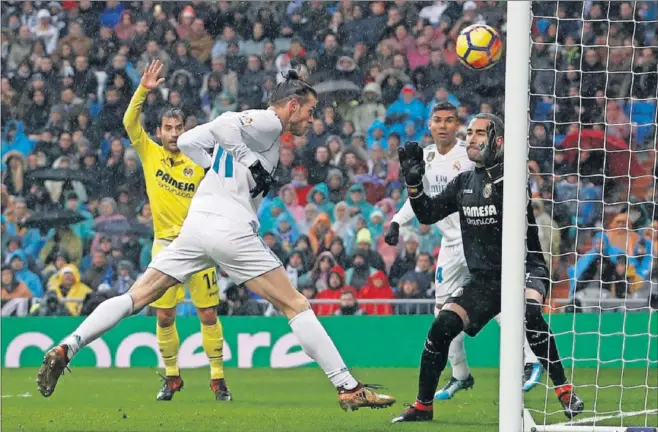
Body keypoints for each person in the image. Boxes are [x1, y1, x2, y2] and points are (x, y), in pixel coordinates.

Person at [36, 70, 395, 412]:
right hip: (230, 226)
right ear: (292, 105)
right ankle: (348, 387)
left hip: (195, 225)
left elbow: (189, 140)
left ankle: (69, 345)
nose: (311, 120)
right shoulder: (270, 121)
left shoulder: (261, 131)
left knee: (135, 297)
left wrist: (214, 167)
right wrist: (247, 163)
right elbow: (225, 121)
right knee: (295, 305)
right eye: (310, 111)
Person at [391, 113, 584, 423]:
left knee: (529, 314)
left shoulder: (513, 177)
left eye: (480, 132)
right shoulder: (464, 182)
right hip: (485, 278)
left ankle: (563, 389)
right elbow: (427, 214)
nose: (471, 137)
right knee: (442, 326)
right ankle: (422, 406)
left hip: (525, 268)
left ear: (499, 141)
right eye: (469, 132)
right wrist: (414, 186)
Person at [384, 102, 543, 400]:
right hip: (448, 246)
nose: (443, 126)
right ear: (430, 125)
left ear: (457, 126)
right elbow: (422, 197)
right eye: (437, 121)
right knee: (442, 312)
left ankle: (530, 360)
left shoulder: (470, 155)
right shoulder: (427, 156)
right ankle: (460, 374)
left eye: (449, 121)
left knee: (498, 303)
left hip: (478, 242)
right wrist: (395, 221)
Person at [121, 60, 230, 402]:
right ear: (159, 130)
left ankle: (217, 378)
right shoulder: (149, 152)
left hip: (199, 244)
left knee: (208, 313)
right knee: (165, 315)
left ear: (185, 129)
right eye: (167, 127)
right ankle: (171, 377)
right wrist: (143, 90)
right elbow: (128, 122)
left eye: (178, 127)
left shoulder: (200, 159)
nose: (172, 133)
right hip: (166, 246)